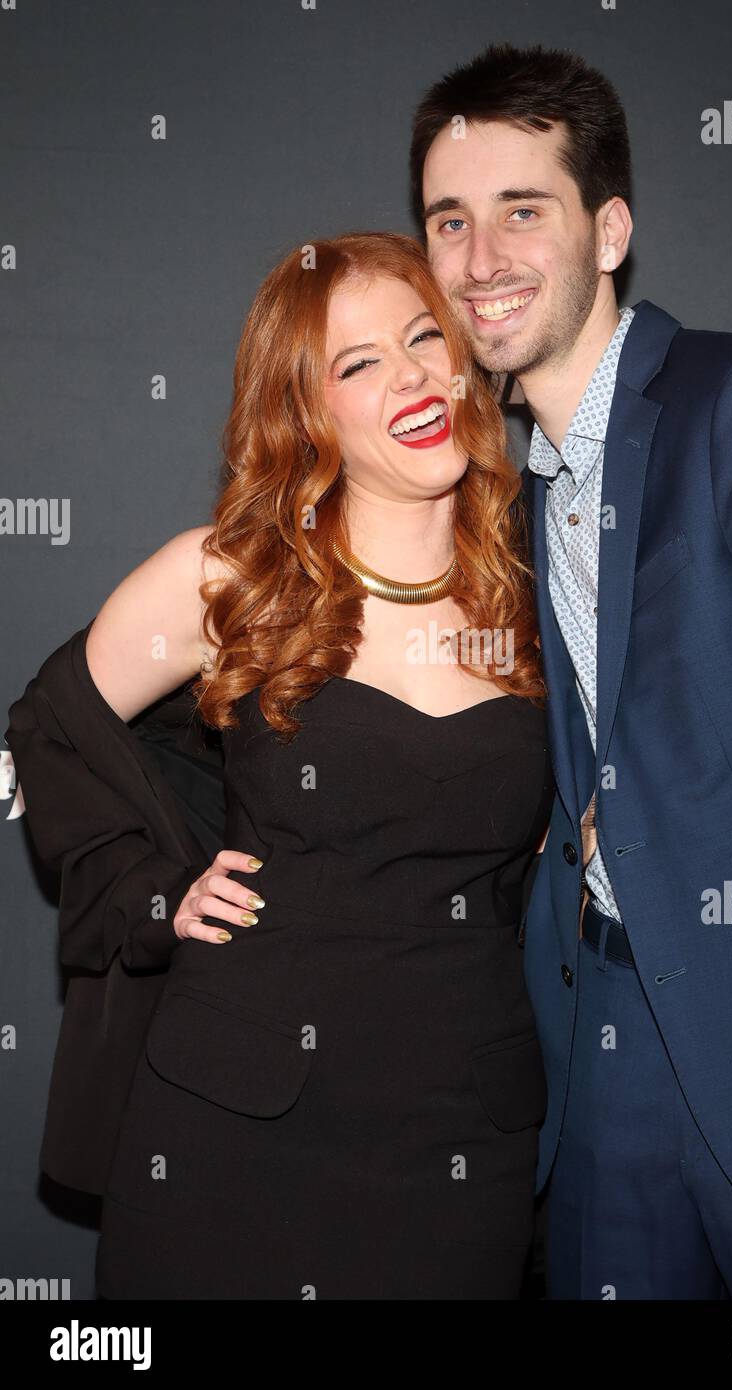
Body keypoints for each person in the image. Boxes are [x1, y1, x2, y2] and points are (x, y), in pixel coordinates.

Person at [411, 43, 732, 1300]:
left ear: (610, 228)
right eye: (449, 222)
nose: (481, 260)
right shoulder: (512, 496)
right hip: (601, 1055)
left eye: (522, 210)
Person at [8, 231, 554, 1299]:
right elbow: (49, 726)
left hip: (461, 1139)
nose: (408, 375)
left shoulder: (543, 587)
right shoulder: (231, 579)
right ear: (309, 415)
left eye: (421, 337)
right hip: (232, 1132)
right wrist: (151, 891)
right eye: (357, 364)